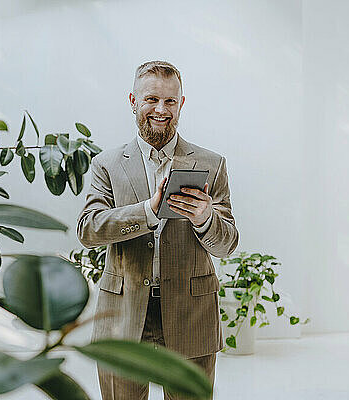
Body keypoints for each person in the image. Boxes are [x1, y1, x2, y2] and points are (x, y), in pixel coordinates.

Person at [76, 60, 239, 400]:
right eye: (151, 100)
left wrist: (205, 218)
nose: (160, 110)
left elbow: (227, 244)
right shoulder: (106, 164)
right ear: (133, 101)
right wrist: (149, 210)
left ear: (181, 104)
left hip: (190, 314)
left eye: (169, 101)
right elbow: (88, 229)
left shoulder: (211, 164)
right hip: (123, 317)